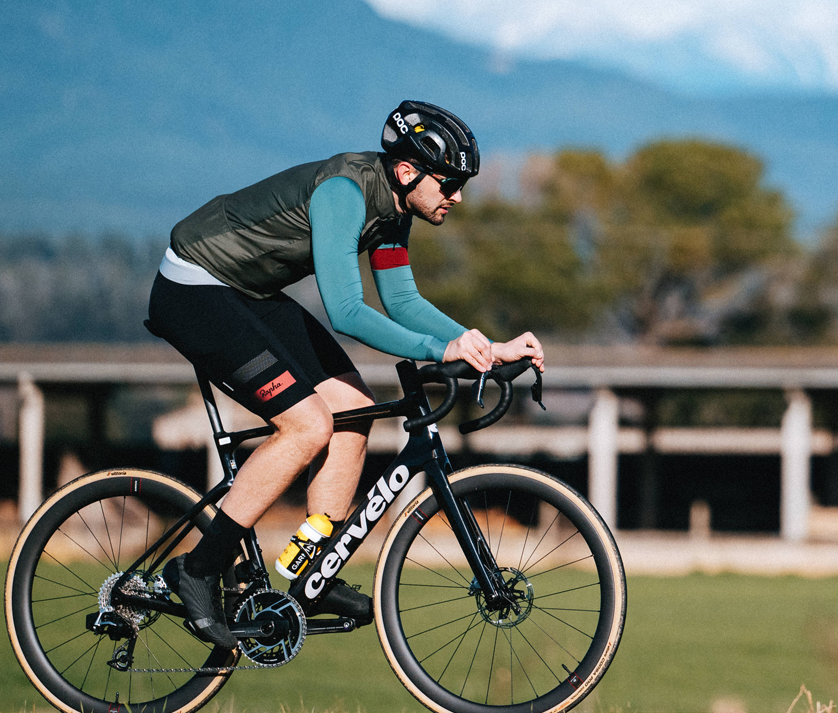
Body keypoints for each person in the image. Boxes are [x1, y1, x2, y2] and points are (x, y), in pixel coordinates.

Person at [147, 101, 544, 648]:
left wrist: (484, 346)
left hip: (249, 292)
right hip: (195, 286)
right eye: (449, 183)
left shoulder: (395, 208)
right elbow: (347, 312)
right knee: (307, 426)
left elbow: (401, 299)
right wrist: (439, 347)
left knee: (352, 414)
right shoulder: (345, 193)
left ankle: (311, 573)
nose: (457, 196)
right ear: (408, 171)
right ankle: (197, 567)